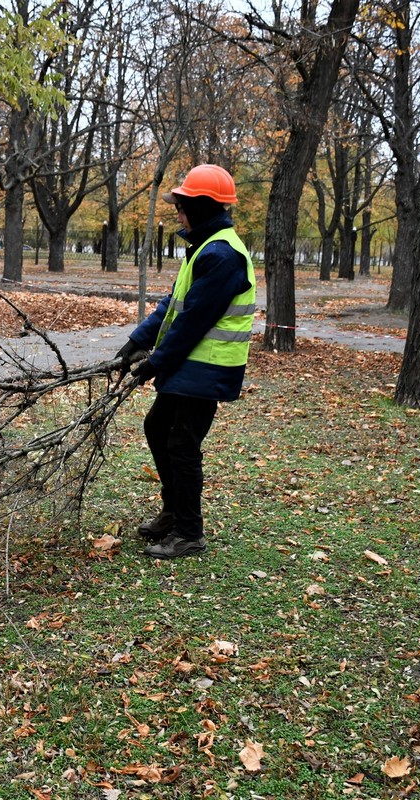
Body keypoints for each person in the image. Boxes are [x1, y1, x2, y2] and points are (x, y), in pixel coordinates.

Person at [115, 164, 256, 559]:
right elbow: (172, 307)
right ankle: (174, 512)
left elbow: (193, 322)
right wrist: (134, 343)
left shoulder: (223, 255)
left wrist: (153, 364)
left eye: (181, 205)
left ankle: (189, 532)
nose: (177, 213)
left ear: (202, 205)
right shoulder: (205, 248)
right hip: (192, 365)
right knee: (157, 425)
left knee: (182, 442)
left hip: (207, 366)